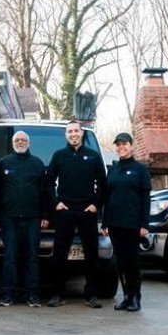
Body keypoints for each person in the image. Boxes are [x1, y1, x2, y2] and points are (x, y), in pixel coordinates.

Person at [46, 120, 107, 308]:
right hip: (65, 211)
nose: (73, 134)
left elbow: (103, 184)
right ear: (66, 135)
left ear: (82, 134)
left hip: (87, 211)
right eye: (70, 131)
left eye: (76, 131)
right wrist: (56, 203)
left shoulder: (93, 156)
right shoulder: (59, 156)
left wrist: (96, 205)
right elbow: (48, 182)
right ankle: (58, 294)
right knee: (59, 254)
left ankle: (92, 295)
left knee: (91, 254)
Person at [0, 130, 53, 307]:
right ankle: (8, 294)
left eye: (23, 140)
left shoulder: (37, 164)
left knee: (32, 258)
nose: (20, 142)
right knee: (10, 258)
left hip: (33, 219)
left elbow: (45, 192)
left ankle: (32, 295)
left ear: (29, 144)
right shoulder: (3, 163)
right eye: (17, 140)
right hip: (9, 219)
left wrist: (45, 215)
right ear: (13, 143)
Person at [102, 132, 151, 312]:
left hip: (132, 224)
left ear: (131, 146)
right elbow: (107, 197)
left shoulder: (140, 170)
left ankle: (135, 297)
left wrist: (144, 224)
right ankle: (126, 297)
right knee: (120, 262)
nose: (121, 147)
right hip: (115, 223)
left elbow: (146, 199)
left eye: (124, 144)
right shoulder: (113, 170)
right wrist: (105, 223)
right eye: (118, 145)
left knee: (132, 262)